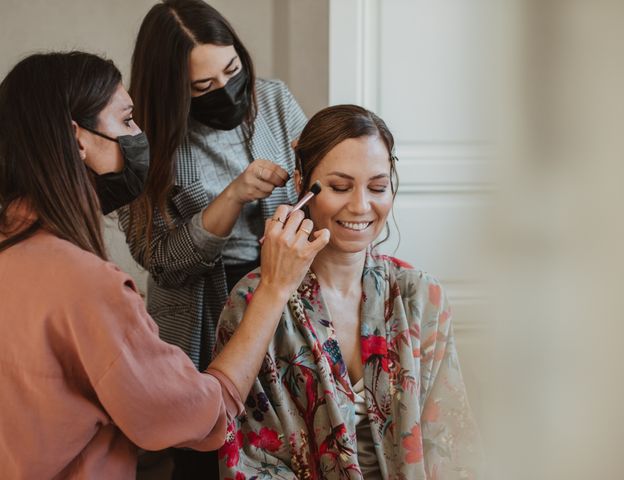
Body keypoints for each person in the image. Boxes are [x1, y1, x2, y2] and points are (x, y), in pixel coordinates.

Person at [0, 51, 328, 480]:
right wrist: (273, 289)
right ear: (76, 138)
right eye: (127, 120)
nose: (139, 136)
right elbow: (201, 414)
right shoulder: (87, 286)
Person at [214, 105, 483, 479]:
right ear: (301, 184)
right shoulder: (253, 302)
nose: (360, 206)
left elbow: (450, 442)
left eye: (377, 187)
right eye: (340, 187)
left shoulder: (421, 296)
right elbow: (250, 457)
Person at [119, 0, 307, 371]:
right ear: (172, 90)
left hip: (283, 296)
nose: (226, 90)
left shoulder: (274, 100)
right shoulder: (144, 138)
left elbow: (315, 185)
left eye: (232, 70)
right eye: (204, 85)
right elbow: (162, 263)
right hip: (198, 315)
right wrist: (233, 195)